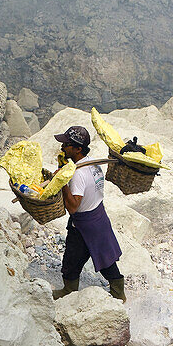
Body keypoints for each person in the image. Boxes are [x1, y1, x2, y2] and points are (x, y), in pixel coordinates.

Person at [51, 125, 126, 302]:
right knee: (104, 257)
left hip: (84, 224)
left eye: (67, 144)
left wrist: (61, 183)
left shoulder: (78, 174)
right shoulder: (91, 163)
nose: (63, 147)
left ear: (77, 148)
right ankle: (118, 293)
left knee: (73, 259)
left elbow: (73, 207)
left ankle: (69, 291)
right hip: (98, 217)